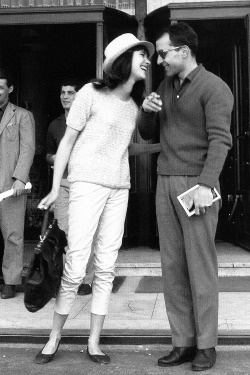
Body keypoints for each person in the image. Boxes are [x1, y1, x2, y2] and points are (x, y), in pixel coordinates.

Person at [35, 33, 155, 365]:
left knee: (106, 265)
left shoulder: (132, 106)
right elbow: (67, 143)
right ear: (122, 60)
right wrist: (58, 187)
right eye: (140, 55)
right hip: (86, 183)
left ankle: (93, 341)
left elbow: (124, 147)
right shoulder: (90, 93)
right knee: (75, 263)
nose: (147, 60)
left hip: (119, 188)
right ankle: (54, 337)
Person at [138, 22, 234, 371]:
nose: (159, 59)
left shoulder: (214, 88)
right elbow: (150, 132)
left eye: (163, 52)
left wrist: (208, 185)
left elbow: (221, 141)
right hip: (165, 181)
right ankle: (183, 342)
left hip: (198, 184)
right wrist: (146, 112)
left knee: (201, 267)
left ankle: (206, 345)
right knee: (172, 267)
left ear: (184, 51)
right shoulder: (165, 85)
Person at [46, 78, 95, 296]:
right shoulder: (55, 125)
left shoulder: (88, 123)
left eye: (70, 93)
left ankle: (86, 279)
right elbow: (47, 154)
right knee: (63, 233)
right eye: (63, 92)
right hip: (63, 185)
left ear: (78, 96)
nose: (65, 96)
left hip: (84, 184)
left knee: (85, 233)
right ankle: (66, 278)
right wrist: (54, 158)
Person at [0, 68, 35, 299]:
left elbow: (28, 148)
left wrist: (20, 178)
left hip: (10, 185)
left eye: (1, 87)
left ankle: (11, 281)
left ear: (10, 89)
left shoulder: (22, 115)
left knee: (13, 235)